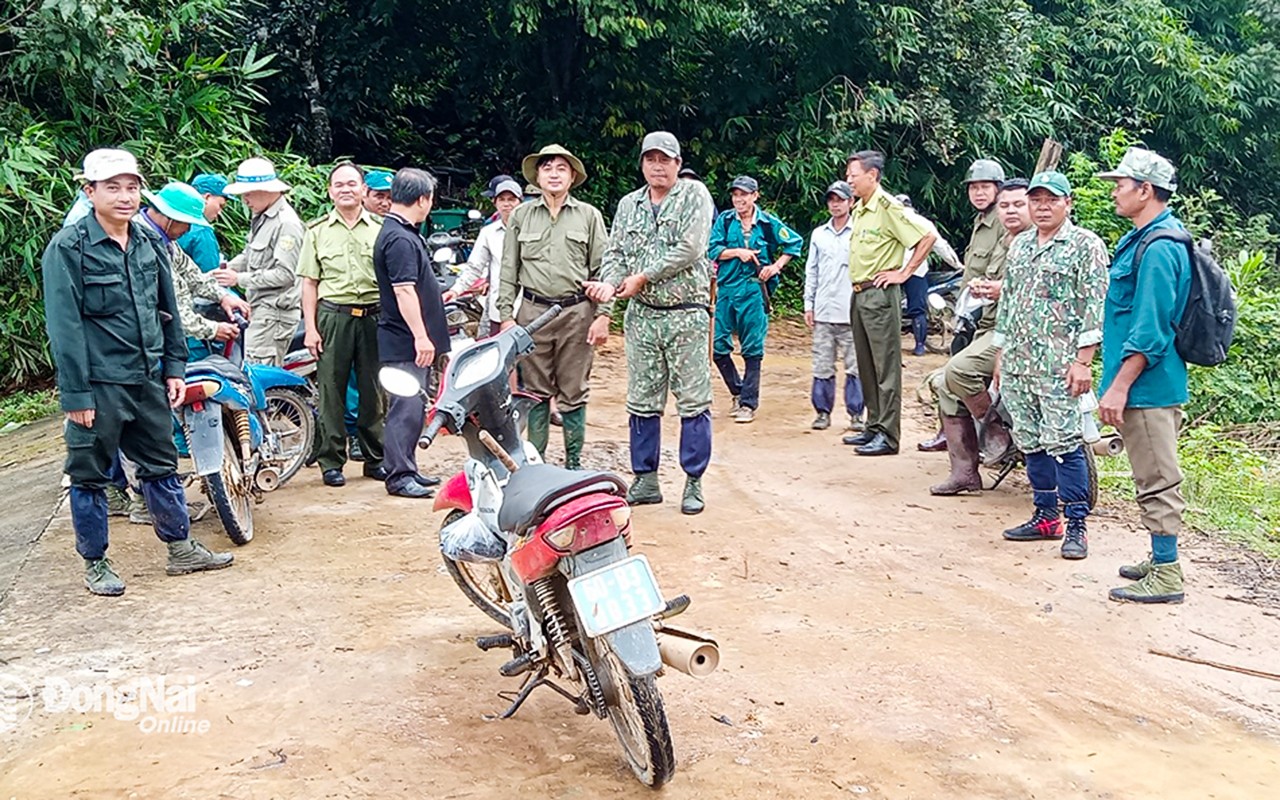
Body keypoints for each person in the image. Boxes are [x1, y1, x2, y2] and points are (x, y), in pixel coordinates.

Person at [42, 149, 233, 596]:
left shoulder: (149, 244)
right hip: (99, 384)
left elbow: (167, 310)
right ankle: (95, 562)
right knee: (88, 473)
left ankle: (180, 547)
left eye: (132, 187)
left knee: (161, 465)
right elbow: (64, 326)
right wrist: (76, 395)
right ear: (89, 192)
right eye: (112, 187)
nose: (125, 196)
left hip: (148, 378)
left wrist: (174, 368)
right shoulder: (68, 248)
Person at [587, 131, 716, 513]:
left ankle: (693, 481)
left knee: (693, 400)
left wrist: (643, 276)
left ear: (678, 164)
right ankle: (645, 478)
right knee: (641, 399)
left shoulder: (695, 195)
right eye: (651, 159)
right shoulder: (629, 204)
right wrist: (610, 286)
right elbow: (616, 253)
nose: (658, 166)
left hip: (686, 315)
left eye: (666, 160)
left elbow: (690, 248)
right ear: (642, 163)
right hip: (642, 317)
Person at [993, 171, 1109, 559]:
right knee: (1030, 441)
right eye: (1036, 200)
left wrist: (1083, 362)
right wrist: (999, 353)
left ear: (1067, 203)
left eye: (1051, 200)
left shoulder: (1085, 245)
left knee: (1064, 443)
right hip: (1018, 365)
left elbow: (1094, 307)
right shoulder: (1021, 245)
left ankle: (1076, 524)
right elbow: (1008, 302)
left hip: (1060, 367)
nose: (1042, 207)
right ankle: (1045, 516)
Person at [1096, 149, 1192, 603]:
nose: (1115, 191)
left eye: (1121, 184)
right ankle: (1159, 556)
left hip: (1148, 384)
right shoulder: (1142, 239)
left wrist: (1120, 384)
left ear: (1145, 190)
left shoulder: (1160, 247)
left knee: (1158, 476)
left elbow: (1151, 330)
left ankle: (1169, 573)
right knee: (1147, 472)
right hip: (1140, 381)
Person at [497, 144, 610, 469]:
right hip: (533, 315)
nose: (554, 174)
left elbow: (604, 269)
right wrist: (506, 318)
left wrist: (603, 315)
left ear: (572, 176)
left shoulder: (589, 216)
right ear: (538, 176)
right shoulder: (520, 215)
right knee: (535, 391)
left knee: (574, 390)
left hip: (577, 313)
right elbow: (509, 269)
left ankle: (573, 464)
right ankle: (539, 465)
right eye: (548, 168)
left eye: (562, 168)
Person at [928, 178, 1029, 495]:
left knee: (959, 370)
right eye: (1006, 206)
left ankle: (997, 431)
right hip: (986, 325)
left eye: (1018, 204)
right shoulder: (1005, 240)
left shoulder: (1036, 241)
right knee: (945, 383)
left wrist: (1002, 290)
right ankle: (965, 473)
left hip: (1015, 331)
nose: (1010, 210)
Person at [299, 162, 390, 488]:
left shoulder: (381, 229)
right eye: (339, 185)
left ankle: (375, 458)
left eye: (352, 184)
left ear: (363, 190)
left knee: (374, 390)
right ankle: (331, 461)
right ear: (330, 191)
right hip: (333, 317)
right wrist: (311, 327)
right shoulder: (317, 231)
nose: (346, 189)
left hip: (373, 316)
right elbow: (309, 283)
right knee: (331, 392)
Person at [841, 151, 935, 456]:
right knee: (866, 366)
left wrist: (904, 272)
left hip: (880, 296)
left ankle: (889, 436)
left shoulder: (888, 207)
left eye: (853, 175)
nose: (848, 180)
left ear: (872, 175)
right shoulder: (860, 209)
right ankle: (874, 425)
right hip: (859, 294)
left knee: (886, 368)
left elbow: (927, 236)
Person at [919, 158, 1008, 451]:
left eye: (986, 187)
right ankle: (957, 440)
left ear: (998, 189)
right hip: (973, 314)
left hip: (995, 317)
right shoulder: (981, 222)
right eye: (974, 188)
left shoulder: (1004, 222)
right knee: (947, 373)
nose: (979, 193)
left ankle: (994, 433)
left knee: (958, 371)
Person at [375, 168, 451, 498]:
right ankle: (399, 474)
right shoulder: (400, 239)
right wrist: (421, 335)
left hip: (406, 337)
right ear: (422, 199)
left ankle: (408, 466)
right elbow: (404, 291)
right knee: (404, 407)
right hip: (404, 339)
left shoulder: (402, 233)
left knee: (414, 405)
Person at [708, 176, 803, 423]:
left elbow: (794, 243)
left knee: (752, 348)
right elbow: (712, 249)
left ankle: (748, 404)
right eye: (735, 194)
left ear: (755, 196)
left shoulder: (768, 222)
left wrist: (776, 267)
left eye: (744, 194)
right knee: (717, 346)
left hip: (753, 291)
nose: (739, 199)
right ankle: (738, 390)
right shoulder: (725, 220)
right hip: (727, 290)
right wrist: (736, 252)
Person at [214, 157, 305, 365]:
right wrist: (226, 270)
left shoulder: (286, 224)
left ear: (266, 190)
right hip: (260, 310)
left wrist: (238, 278)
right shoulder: (263, 217)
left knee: (258, 374)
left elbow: (285, 275)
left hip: (275, 314)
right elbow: (249, 255)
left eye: (248, 193)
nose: (245, 200)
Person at [804, 180, 863, 432]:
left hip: (851, 311)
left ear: (851, 202)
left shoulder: (860, 231)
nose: (835, 204)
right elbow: (812, 271)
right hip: (824, 311)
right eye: (831, 199)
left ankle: (856, 414)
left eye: (840, 199)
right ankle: (822, 412)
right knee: (822, 364)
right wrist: (809, 304)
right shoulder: (819, 234)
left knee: (856, 366)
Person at [444, 177, 523, 337]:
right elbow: (474, 266)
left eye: (512, 199)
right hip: (499, 308)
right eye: (502, 199)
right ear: (495, 203)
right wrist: (456, 290)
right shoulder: (489, 232)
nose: (507, 204)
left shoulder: (532, 230)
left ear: (520, 202)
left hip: (527, 307)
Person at [896, 194, 964, 357]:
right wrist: (958, 265)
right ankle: (919, 345)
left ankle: (915, 345)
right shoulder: (923, 222)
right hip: (916, 270)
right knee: (917, 308)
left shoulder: (891, 221)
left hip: (896, 270)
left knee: (893, 308)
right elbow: (941, 246)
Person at [177, 173, 229, 273]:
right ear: (207, 197)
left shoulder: (173, 218)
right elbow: (212, 277)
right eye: (220, 205)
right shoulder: (202, 232)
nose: (220, 212)